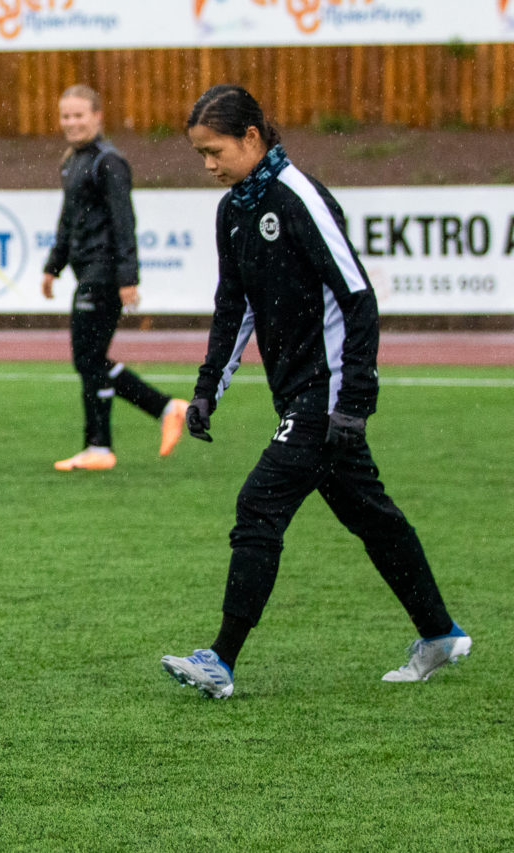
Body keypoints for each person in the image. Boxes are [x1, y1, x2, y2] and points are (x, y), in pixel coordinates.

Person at [161, 85, 470, 699]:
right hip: (298, 396)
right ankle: (439, 633)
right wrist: (205, 393)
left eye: (214, 151)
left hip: (324, 400)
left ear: (252, 137)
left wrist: (354, 403)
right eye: (199, 154)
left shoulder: (300, 196)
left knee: (259, 506)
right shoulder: (233, 210)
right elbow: (234, 308)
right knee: (372, 518)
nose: (208, 166)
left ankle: (220, 659)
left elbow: (359, 299)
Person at [41, 84, 188, 471]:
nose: (71, 122)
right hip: (86, 271)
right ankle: (108, 442)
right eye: (66, 116)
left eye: (79, 115)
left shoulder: (109, 162)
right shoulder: (72, 160)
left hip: (104, 274)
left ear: (97, 116)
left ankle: (147, 418)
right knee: (90, 359)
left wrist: (128, 277)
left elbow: (125, 222)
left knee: (88, 359)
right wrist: (52, 266)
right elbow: (68, 219)